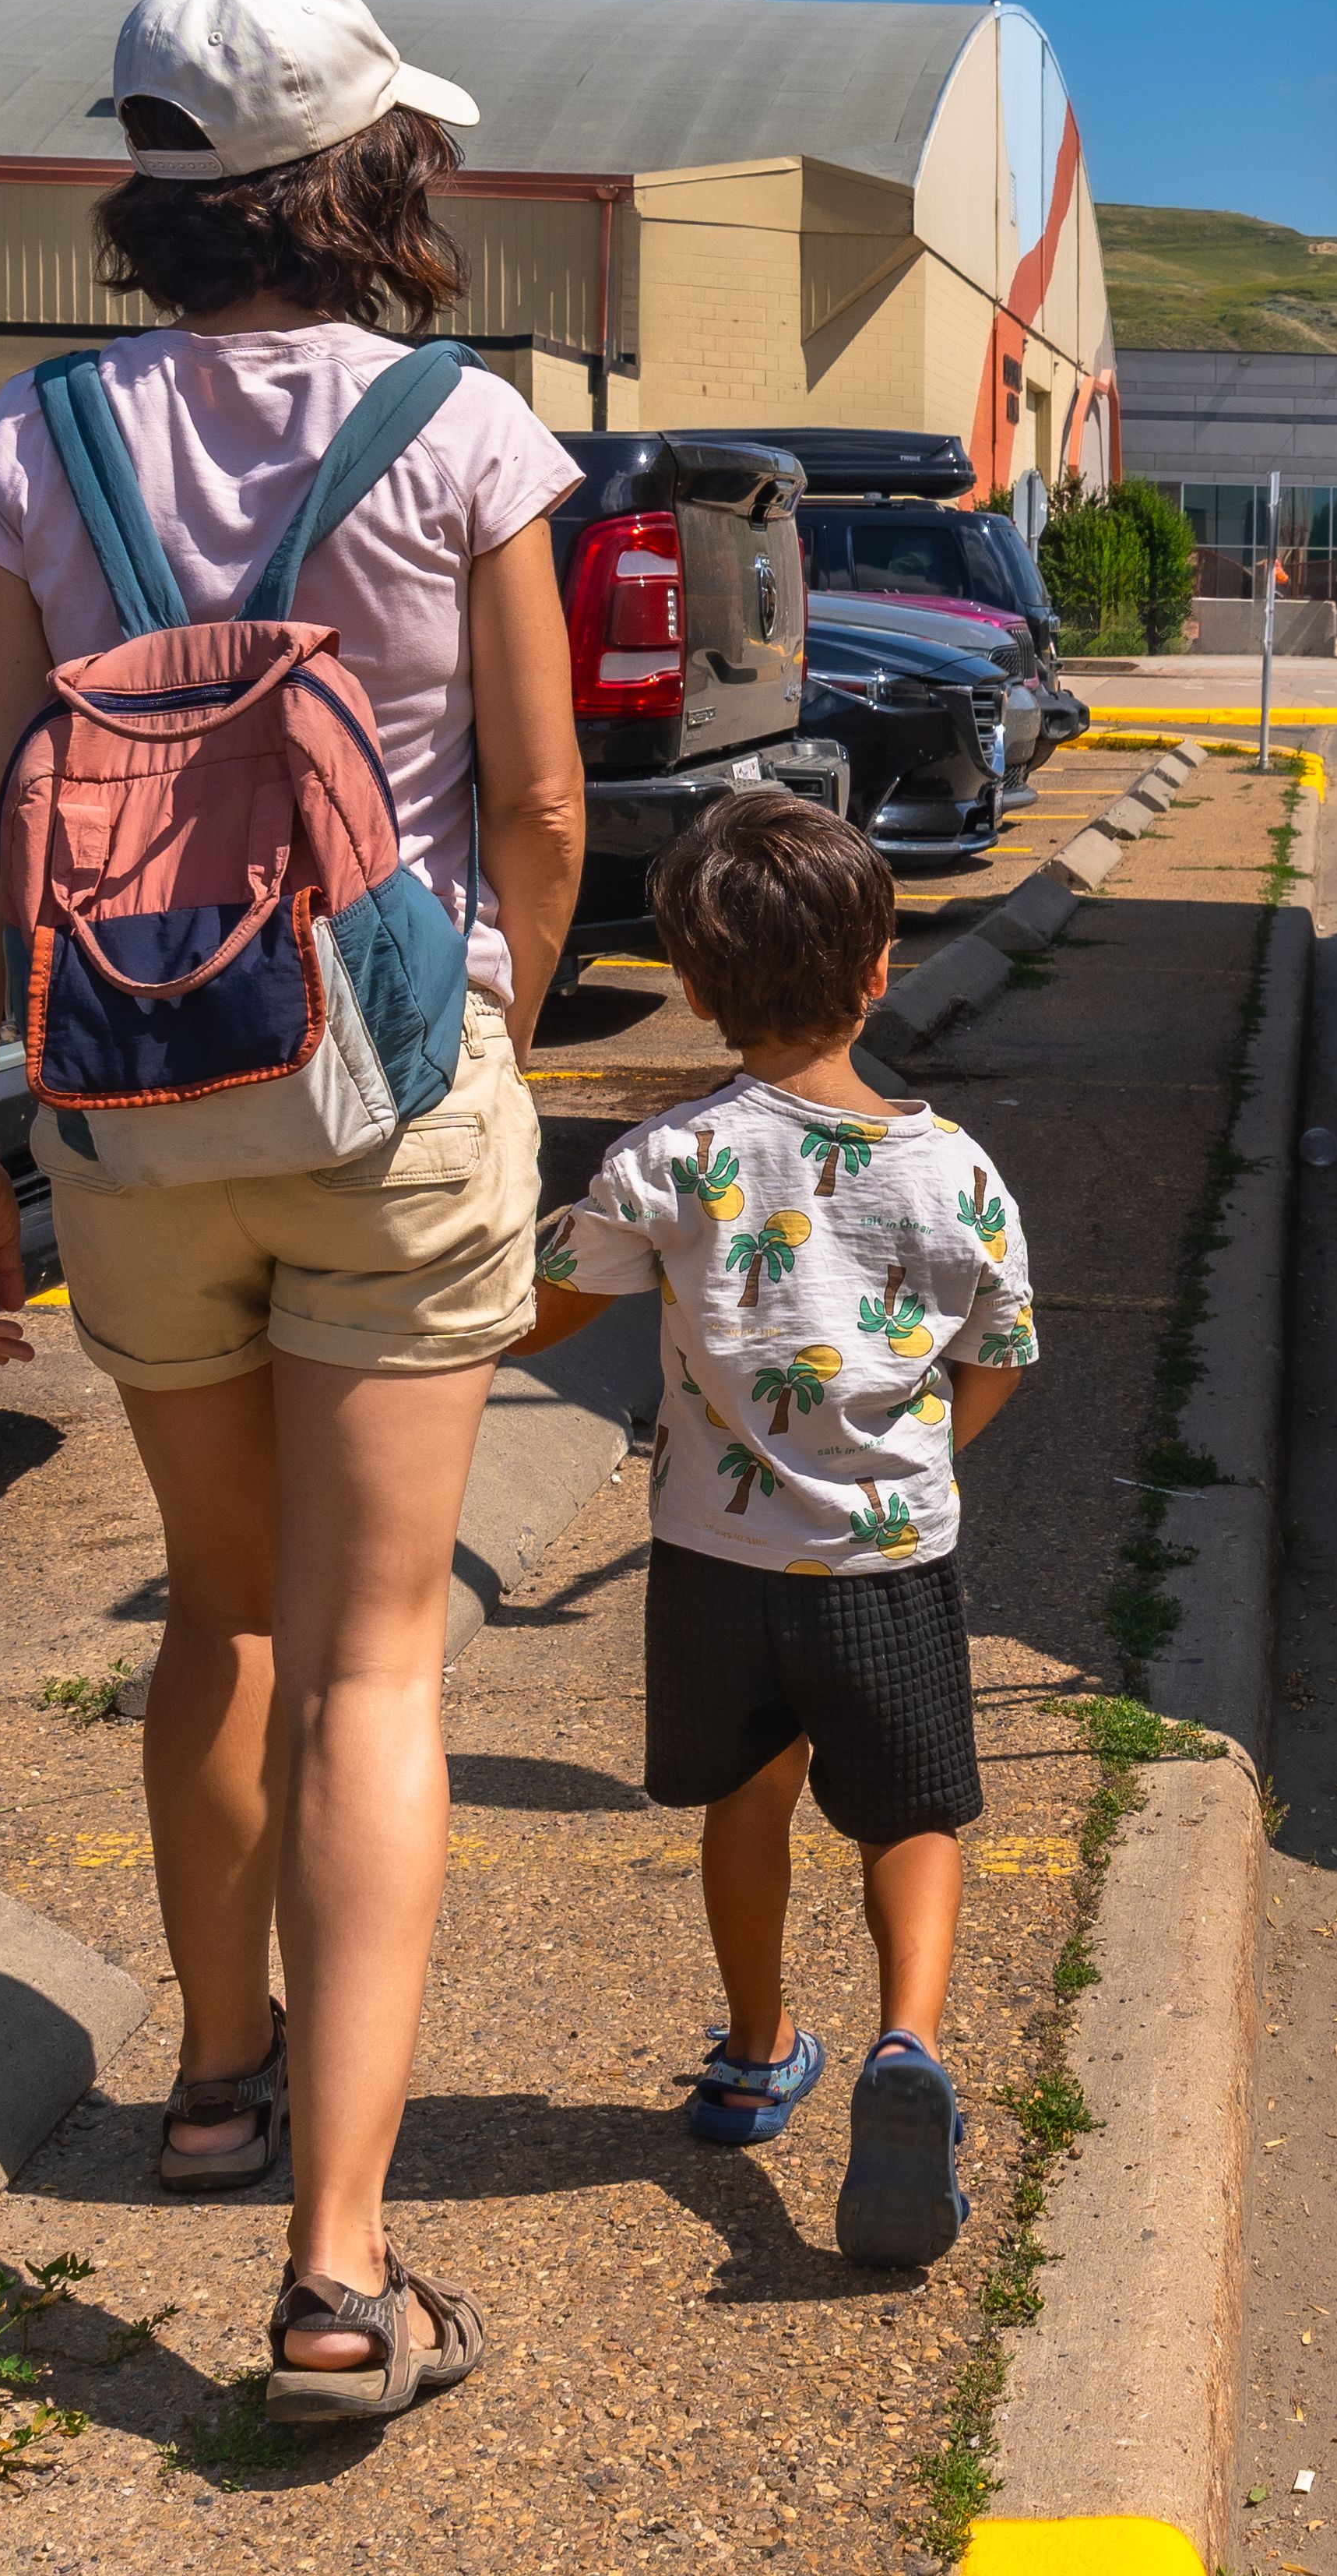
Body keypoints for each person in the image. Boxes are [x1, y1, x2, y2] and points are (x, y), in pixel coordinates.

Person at [0, 0, 589, 2426]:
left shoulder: (38, 436)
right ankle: (337, 2274)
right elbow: (538, 799)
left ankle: (214, 2083)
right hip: (386, 1100)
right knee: (377, 1663)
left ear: (156, 179)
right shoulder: (464, 429)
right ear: (370, 169)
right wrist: (498, 1016)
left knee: (223, 1616)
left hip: (130, 1102)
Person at [512, 791, 1035, 2268]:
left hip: (715, 1563)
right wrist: (916, 1461)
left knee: (748, 1805)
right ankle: (905, 2045)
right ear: (879, 971)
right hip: (890, 1561)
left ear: (693, 986)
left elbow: (543, 1314)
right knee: (910, 1816)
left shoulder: (666, 1159)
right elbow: (1001, 1352)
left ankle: (756, 2055)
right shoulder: (957, 1170)